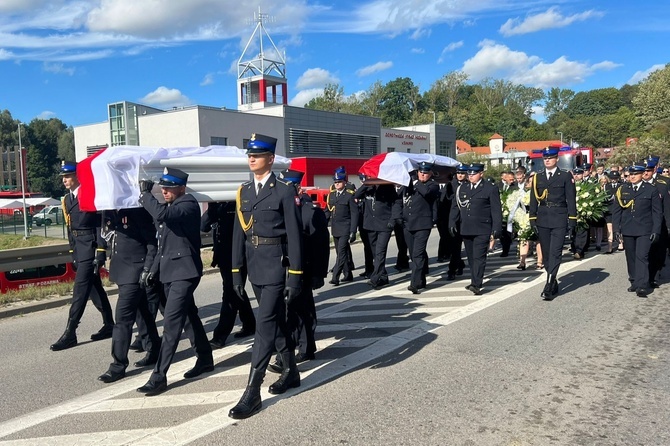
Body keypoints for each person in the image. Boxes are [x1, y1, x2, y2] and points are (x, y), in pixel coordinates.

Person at [228, 134, 303, 419]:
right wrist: (236, 272)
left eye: (257, 155)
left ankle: (252, 391)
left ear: (270, 158)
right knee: (277, 321)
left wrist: (294, 276)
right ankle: (292, 371)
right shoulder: (244, 191)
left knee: (265, 324)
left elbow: (295, 238)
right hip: (254, 266)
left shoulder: (283, 190)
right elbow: (239, 235)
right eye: (249, 154)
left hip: (275, 266)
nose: (252, 158)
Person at [136, 167, 214, 396]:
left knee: (171, 323)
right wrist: (152, 270)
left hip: (185, 272)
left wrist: (145, 195)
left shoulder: (188, 204)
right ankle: (205, 358)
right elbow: (163, 246)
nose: (165, 191)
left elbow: (161, 215)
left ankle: (159, 376)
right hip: (170, 272)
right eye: (163, 187)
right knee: (189, 317)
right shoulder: (173, 206)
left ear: (182, 187)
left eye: (169, 187)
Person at [51, 161, 114, 351]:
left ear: (78, 177)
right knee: (95, 287)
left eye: (68, 176)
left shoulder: (89, 195)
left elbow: (99, 225)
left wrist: (101, 251)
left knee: (79, 291)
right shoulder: (67, 199)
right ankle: (109, 324)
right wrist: (72, 252)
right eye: (63, 177)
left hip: (91, 247)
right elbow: (70, 228)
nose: (64, 180)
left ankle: (70, 332)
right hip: (79, 249)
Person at [97, 207, 161, 383]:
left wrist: (147, 268)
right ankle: (154, 348)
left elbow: (152, 242)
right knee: (143, 313)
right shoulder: (109, 212)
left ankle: (118, 365)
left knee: (122, 319)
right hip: (121, 270)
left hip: (135, 270)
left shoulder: (137, 212)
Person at [277, 168, 329, 363]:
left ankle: (305, 349)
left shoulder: (310, 212)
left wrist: (319, 273)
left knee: (301, 310)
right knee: (293, 309)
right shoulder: (282, 210)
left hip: (305, 268)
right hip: (285, 267)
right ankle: (298, 347)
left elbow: (321, 246)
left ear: (297, 188)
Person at [201, 201, 256, 349]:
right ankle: (250, 324)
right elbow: (203, 226)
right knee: (237, 291)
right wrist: (212, 208)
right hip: (224, 258)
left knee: (231, 294)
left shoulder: (238, 205)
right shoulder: (219, 206)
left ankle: (220, 336)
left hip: (238, 258)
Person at [529, 147, 577, 300]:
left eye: (550, 158)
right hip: (543, 218)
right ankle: (553, 280)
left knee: (556, 252)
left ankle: (549, 285)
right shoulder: (538, 177)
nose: (547, 160)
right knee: (547, 254)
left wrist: (572, 219)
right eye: (545, 158)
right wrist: (532, 218)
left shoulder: (564, 176)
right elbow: (533, 200)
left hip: (559, 218)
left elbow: (571, 199)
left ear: (557, 159)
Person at [448, 163, 502, 295]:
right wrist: (452, 222)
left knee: (479, 256)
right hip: (466, 228)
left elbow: (496, 210)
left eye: (474, 174)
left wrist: (496, 228)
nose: (470, 176)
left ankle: (476, 284)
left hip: (482, 228)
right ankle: (474, 280)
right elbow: (455, 207)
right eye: (469, 174)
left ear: (481, 174)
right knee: (471, 257)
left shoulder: (490, 188)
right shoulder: (463, 188)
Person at [612, 164, 662, 297]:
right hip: (628, 228)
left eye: (635, 174)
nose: (632, 177)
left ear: (642, 175)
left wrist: (656, 231)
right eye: (630, 174)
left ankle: (642, 285)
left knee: (642, 256)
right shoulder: (623, 189)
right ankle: (634, 281)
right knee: (631, 257)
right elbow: (616, 211)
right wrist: (616, 229)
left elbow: (657, 213)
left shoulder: (651, 190)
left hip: (645, 229)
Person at [354, 180, 403, 289]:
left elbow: (396, 203)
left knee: (380, 251)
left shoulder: (387, 187)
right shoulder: (367, 187)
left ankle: (375, 278)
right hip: (370, 225)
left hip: (384, 225)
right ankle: (384, 277)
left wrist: (393, 219)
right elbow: (356, 195)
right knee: (375, 253)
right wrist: (366, 184)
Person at [400, 162, 440, 294]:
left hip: (423, 225)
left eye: (425, 173)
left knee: (417, 254)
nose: (423, 174)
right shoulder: (410, 184)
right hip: (408, 224)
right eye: (420, 172)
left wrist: (416, 183)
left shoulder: (433, 185)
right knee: (414, 254)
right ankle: (421, 280)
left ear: (430, 174)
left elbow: (427, 193)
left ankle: (414, 283)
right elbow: (401, 197)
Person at [325, 170, 359, 286]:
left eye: (339, 182)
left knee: (341, 253)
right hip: (335, 228)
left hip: (345, 228)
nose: (337, 184)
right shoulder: (332, 195)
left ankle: (336, 276)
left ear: (344, 182)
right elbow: (327, 212)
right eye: (335, 182)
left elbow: (354, 214)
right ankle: (348, 274)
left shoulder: (349, 195)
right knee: (341, 251)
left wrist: (353, 231)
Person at [642, 157, 670, 288]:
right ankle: (646, 277)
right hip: (644, 223)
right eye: (644, 170)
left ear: (654, 170)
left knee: (659, 251)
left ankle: (654, 274)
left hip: (660, 223)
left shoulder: (664, 183)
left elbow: (667, 207)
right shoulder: (636, 184)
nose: (645, 173)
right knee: (644, 252)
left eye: (648, 170)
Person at [445, 165, 467, 280]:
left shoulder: (469, 185)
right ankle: (452, 269)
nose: (460, 175)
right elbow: (450, 202)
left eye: (462, 173)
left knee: (468, 247)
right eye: (458, 173)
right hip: (456, 220)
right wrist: (451, 222)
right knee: (455, 247)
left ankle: (460, 264)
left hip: (467, 221)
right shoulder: (451, 184)